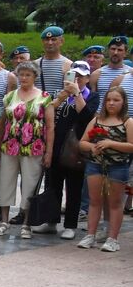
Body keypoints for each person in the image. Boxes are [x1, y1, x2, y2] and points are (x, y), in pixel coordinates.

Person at [32, 60, 93, 238]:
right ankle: (50, 221)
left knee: (74, 188)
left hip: (75, 149)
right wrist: (62, 96)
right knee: (53, 186)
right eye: (75, 76)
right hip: (57, 146)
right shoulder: (63, 94)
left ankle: (70, 225)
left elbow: (87, 118)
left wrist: (77, 95)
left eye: (81, 77)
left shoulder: (91, 96)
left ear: (88, 78)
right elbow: (48, 112)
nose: (77, 80)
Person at [0, 60, 54, 238]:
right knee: (5, 181)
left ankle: (26, 223)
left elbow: (50, 126)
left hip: (34, 147)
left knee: (30, 184)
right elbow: (2, 122)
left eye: (28, 74)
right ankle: (4, 221)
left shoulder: (44, 97)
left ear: (35, 76)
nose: (24, 78)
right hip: (10, 145)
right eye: (21, 74)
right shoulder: (10, 96)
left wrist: (49, 152)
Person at [77, 85, 132, 252]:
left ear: (123, 102)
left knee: (115, 203)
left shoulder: (127, 122)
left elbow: (131, 145)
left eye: (116, 100)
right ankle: (90, 235)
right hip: (95, 165)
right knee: (95, 201)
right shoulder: (96, 120)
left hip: (117, 167)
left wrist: (111, 143)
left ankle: (112, 238)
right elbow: (82, 142)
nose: (111, 103)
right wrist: (91, 147)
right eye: (108, 100)